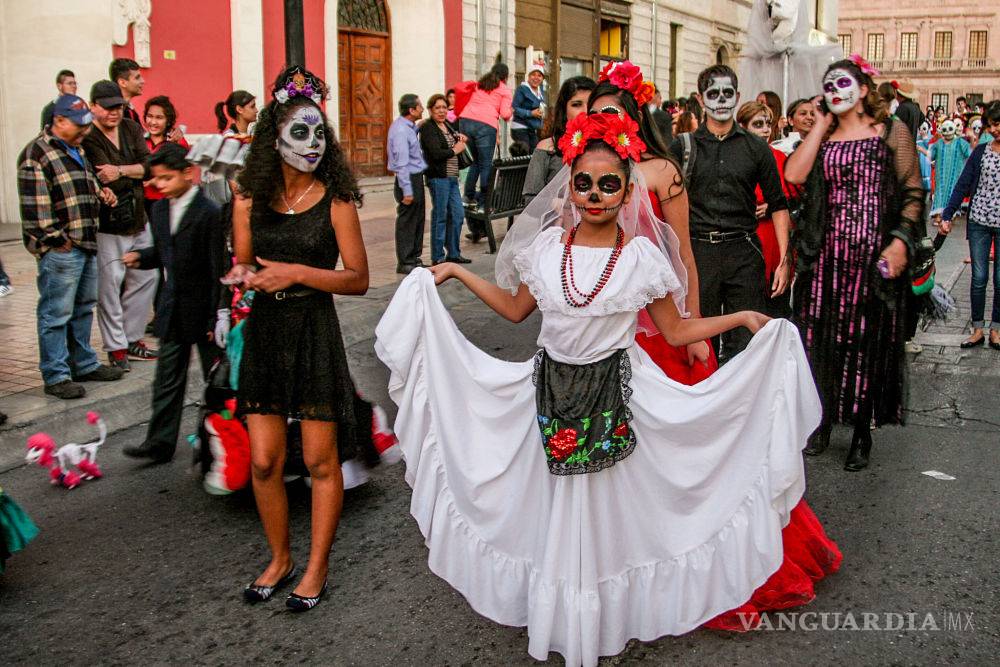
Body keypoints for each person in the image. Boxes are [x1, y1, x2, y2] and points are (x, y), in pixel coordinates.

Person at [375, 112, 833, 666]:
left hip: (619, 399)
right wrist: (456, 272)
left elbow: (675, 330)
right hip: (549, 398)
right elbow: (517, 310)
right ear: (569, 187)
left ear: (628, 191)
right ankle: (565, 618)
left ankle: (601, 618)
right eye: (584, 183)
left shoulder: (641, 257)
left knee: (609, 518)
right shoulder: (547, 248)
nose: (595, 195)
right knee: (556, 511)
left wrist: (740, 317)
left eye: (608, 183)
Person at [223, 66, 369, 611]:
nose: (312, 143)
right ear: (274, 139)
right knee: (264, 460)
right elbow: (244, 262)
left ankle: (316, 567)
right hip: (265, 330)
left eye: (318, 133)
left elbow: (358, 278)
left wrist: (297, 273)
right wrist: (242, 271)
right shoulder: (249, 198)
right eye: (299, 132)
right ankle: (280, 558)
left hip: (312, 329)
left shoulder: (337, 199)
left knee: (319, 461)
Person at [785, 56, 925, 471]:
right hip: (825, 259)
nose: (835, 92)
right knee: (820, 342)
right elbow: (794, 175)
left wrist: (899, 242)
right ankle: (822, 422)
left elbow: (913, 192)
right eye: (828, 86)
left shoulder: (890, 132)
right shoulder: (823, 136)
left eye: (843, 84)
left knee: (866, 343)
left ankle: (861, 431)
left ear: (863, 89)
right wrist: (821, 125)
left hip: (871, 260)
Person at [589, 60, 717, 384]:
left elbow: (684, 254)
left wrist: (693, 327)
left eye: (610, 113)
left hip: (659, 312)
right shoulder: (584, 176)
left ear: (635, 117)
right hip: (603, 310)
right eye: (594, 116)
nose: (602, 122)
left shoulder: (662, 171)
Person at [669, 64, 791, 362]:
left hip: (744, 252)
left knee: (748, 344)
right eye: (714, 93)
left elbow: (778, 205)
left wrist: (784, 260)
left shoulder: (756, 148)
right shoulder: (683, 146)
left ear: (737, 96)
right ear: (701, 99)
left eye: (727, 93)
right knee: (700, 342)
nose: (721, 100)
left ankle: (745, 392)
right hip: (699, 253)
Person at [121, 143, 224, 463]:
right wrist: (142, 257)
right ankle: (159, 442)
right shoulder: (160, 210)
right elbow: (167, 253)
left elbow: (217, 269)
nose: (160, 185)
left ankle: (224, 440)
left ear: (188, 173)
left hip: (203, 310)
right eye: (156, 179)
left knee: (217, 380)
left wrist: (215, 317)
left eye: (167, 178)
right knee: (166, 380)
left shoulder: (209, 212)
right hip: (172, 308)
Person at [17, 94, 124, 399]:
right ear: (59, 120)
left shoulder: (76, 149)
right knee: (56, 313)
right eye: (79, 126)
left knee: (82, 309)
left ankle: (84, 364)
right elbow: (36, 210)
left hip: (85, 241)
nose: (84, 131)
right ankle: (56, 374)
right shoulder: (36, 153)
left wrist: (101, 192)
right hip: (63, 248)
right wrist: (57, 241)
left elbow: (83, 185)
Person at [83, 80, 158, 371]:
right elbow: (104, 176)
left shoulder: (130, 128)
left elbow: (149, 166)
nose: (114, 112)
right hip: (109, 222)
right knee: (110, 285)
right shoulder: (90, 136)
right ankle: (116, 347)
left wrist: (122, 171)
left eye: (118, 106)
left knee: (147, 276)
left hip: (138, 216)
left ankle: (132, 337)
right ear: (94, 107)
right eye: (108, 107)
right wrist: (132, 172)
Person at [941, 106, 1000, 349]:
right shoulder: (981, 152)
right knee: (979, 277)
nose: (994, 130)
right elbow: (964, 183)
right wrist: (947, 214)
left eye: (997, 124)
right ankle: (977, 329)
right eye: (991, 125)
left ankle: (996, 330)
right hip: (978, 222)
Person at [738, 101, 794, 318]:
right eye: (758, 124)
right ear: (742, 126)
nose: (765, 130)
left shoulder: (779, 157)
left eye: (768, 124)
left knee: (775, 307)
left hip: (773, 236)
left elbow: (790, 197)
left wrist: (771, 206)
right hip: (745, 240)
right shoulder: (734, 158)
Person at [522, 76, 596, 206]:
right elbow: (530, 199)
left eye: (591, 105)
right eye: (577, 105)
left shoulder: (607, 147)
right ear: (564, 110)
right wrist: (558, 205)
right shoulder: (547, 148)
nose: (585, 111)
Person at [419, 93, 471, 265]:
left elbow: (455, 142)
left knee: (457, 214)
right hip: (438, 178)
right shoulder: (428, 128)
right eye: (437, 108)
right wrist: (455, 150)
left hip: (452, 178)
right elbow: (435, 153)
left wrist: (460, 138)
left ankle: (454, 253)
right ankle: (438, 256)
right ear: (430, 110)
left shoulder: (447, 125)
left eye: (444, 107)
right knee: (440, 216)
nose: (441, 111)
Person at [459, 63, 513, 210]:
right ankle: (484, 204)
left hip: (465, 122)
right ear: (505, 77)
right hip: (485, 126)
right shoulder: (504, 90)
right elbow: (505, 114)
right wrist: (511, 110)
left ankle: (468, 196)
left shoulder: (480, 84)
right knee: (485, 165)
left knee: (476, 162)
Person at [387, 94, 427, 274]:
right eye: (419, 106)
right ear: (411, 110)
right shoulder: (401, 131)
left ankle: (414, 257)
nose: (422, 109)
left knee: (417, 218)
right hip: (408, 178)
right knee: (408, 221)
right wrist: (407, 191)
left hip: (415, 176)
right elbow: (402, 163)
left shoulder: (408, 127)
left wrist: (418, 127)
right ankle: (405, 261)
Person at [143, 96, 190, 218]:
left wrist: (154, 181)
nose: (153, 122)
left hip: (168, 202)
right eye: (150, 116)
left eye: (159, 118)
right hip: (142, 204)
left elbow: (185, 175)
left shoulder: (178, 142)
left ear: (168, 121)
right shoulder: (139, 141)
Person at [929, 119, 972, 218]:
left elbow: (969, 154)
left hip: (955, 175)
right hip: (940, 175)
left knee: (953, 193)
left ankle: (949, 216)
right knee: (939, 193)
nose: (948, 132)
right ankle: (938, 216)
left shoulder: (961, 142)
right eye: (945, 129)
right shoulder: (938, 143)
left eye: (950, 129)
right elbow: (931, 155)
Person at [510, 65, 545, 152]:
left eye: (539, 75)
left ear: (542, 79)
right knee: (524, 154)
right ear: (528, 76)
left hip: (532, 128)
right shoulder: (522, 89)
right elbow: (514, 109)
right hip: (520, 127)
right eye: (533, 74)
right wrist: (530, 113)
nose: (536, 78)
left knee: (534, 154)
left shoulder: (540, 91)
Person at [110, 58, 145, 125]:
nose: (143, 81)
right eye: (137, 78)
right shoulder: (112, 114)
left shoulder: (129, 109)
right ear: (122, 82)